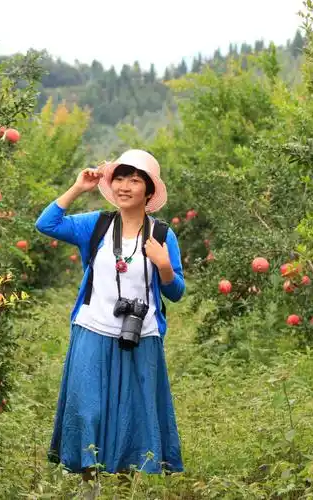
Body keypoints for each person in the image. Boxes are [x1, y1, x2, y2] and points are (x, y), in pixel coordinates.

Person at [34, 149, 186, 493]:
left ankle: (121, 489)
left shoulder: (162, 235)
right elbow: (46, 224)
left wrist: (163, 265)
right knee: (88, 411)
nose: (125, 186)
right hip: (93, 330)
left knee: (131, 418)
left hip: (141, 338)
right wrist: (76, 188)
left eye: (135, 180)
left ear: (149, 191)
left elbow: (176, 292)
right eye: (119, 178)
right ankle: (90, 489)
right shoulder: (98, 224)